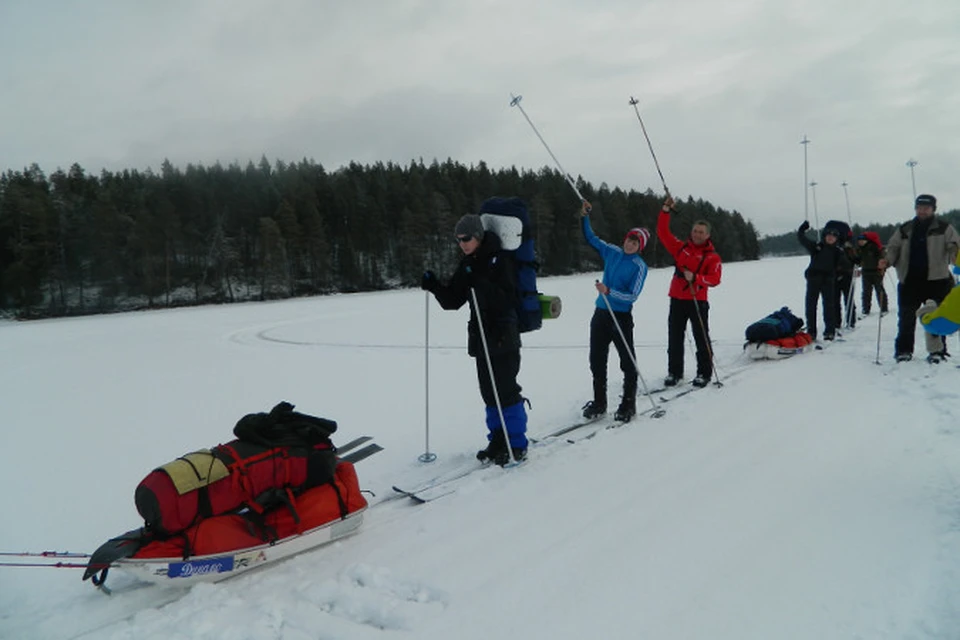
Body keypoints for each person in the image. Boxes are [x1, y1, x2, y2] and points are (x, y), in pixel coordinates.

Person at [421, 213, 527, 465]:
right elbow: (452, 301)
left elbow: (508, 298)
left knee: (506, 391)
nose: (462, 244)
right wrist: (434, 285)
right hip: (481, 339)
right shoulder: (467, 263)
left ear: (478, 236)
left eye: (466, 238)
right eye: (458, 240)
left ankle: (517, 444)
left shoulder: (499, 259)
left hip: (503, 336)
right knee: (489, 393)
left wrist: (479, 282)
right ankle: (498, 440)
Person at [579, 200, 650, 421]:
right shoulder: (612, 252)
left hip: (620, 317)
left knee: (627, 361)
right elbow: (591, 238)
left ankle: (628, 405)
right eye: (630, 240)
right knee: (596, 360)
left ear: (640, 247)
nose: (630, 244)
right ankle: (600, 403)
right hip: (601, 314)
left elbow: (632, 296)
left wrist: (609, 291)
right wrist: (585, 217)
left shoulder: (639, 266)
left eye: (635, 243)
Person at [881, 194, 960, 362]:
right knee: (906, 318)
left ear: (933, 209)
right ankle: (903, 350)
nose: (922, 211)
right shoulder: (905, 229)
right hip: (910, 281)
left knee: (935, 316)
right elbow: (893, 247)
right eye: (919, 207)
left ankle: (937, 351)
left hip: (937, 280)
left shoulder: (944, 228)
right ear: (915, 208)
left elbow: (954, 247)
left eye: (926, 208)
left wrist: (956, 258)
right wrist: (887, 261)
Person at [657, 196, 722, 388]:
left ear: (707, 235)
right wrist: (665, 210)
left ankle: (704, 372)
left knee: (701, 337)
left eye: (701, 232)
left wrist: (696, 278)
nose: (697, 234)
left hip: (697, 300)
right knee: (675, 337)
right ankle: (674, 372)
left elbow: (715, 279)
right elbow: (662, 232)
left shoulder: (713, 257)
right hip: (677, 299)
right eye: (695, 231)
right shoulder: (681, 248)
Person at [797, 221, 848, 341]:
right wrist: (801, 230)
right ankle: (811, 332)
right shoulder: (816, 247)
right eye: (828, 235)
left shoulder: (838, 251)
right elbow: (802, 239)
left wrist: (841, 274)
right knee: (811, 306)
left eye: (834, 236)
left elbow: (845, 265)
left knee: (829, 306)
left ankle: (829, 331)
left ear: (836, 238)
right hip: (813, 279)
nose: (831, 237)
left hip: (828, 280)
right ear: (825, 236)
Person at [854, 232, 888, 316]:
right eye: (859, 240)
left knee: (879, 290)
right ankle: (866, 309)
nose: (860, 242)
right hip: (866, 272)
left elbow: (882, 258)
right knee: (866, 292)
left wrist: (883, 268)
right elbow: (858, 260)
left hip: (876, 272)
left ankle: (883, 308)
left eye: (862, 240)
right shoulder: (860, 249)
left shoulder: (874, 248)